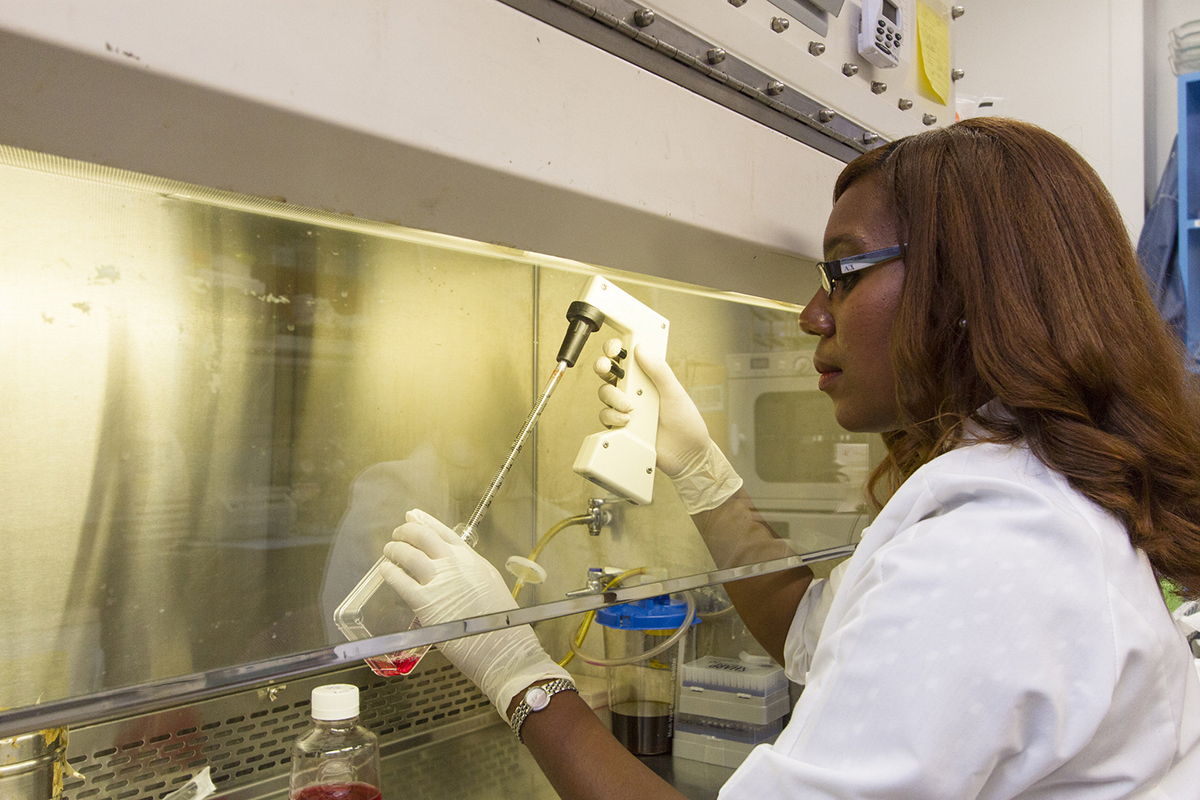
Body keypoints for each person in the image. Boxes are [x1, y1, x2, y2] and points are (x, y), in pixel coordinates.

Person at [379, 118, 1200, 799]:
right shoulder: (1033, 495)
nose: (812, 315)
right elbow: (815, 632)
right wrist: (701, 471)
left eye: (841, 273)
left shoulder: (990, 556)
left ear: (966, 290)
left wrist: (512, 665)